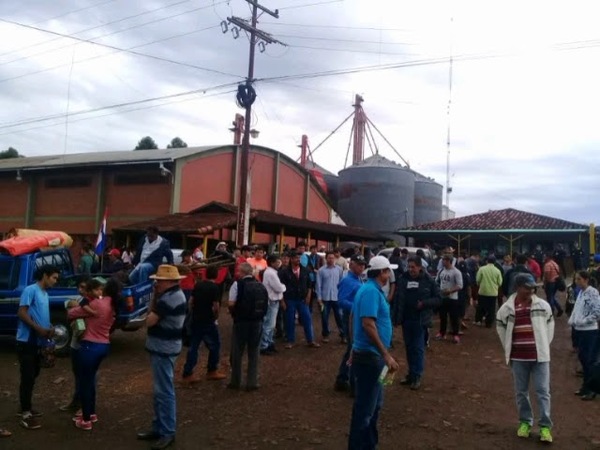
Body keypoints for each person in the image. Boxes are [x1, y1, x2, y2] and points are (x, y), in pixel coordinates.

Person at [347, 255, 399, 450]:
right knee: (366, 409)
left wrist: (354, 346)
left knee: (375, 404)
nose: (390, 274)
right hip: (372, 357)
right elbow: (367, 324)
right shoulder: (370, 292)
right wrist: (385, 354)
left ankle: (369, 444)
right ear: (382, 273)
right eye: (388, 270)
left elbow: (353, 317)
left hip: (373, 356)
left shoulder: (370, 290)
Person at [496, 274, 555, 443]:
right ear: (518, 287)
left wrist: (543, 344)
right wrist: (508, 345)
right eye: (527, 287)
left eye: (532, 287)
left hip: (540, 358)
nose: (531, 290)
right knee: (521, 392)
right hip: (518, 358)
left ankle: (545, 427)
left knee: (543, 392)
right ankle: (525, 422)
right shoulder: (507, 309)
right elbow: (500, 326)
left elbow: (550, 325)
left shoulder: (543, 305)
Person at [137, 265, 186, 450]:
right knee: (161, 391)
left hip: (164, 348)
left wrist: (152, 303)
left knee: (164, 392)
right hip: (165, 347)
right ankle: (160, 428)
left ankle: (167, 432)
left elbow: (149, 321)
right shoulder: (172, 296)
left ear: (168, 282)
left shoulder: (168, 299)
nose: (156, 283)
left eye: (159, 280)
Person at [68, 278, 120, 430]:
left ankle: (85, 420)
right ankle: (91, 413)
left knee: (85, 382)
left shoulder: (97, 303)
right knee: (90, 380)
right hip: (104, 345)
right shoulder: (113, 304)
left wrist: (72, 307)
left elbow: (72, 313)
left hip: (90, 346)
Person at [16, 264, 59, 430]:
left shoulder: (45, 294)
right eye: (54, 277)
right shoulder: (30, 290)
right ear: (45, 276)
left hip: (39, 342)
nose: (55, 281)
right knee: (27, 376)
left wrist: (49, 326)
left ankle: (25, 406)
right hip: (26, 341)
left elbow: (41, 315)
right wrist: (38, 328)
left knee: (34, 374)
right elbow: (22, 312)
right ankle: (25, 415)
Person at [395, 256, 441, 390]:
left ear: (420, 267)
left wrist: (424, 304)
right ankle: (411, 373)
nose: (410, 269)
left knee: (418, 348)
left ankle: (417, 376)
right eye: (409, 267)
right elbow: (398, 299)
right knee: (409, 348)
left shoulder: (428, 281)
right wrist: (396, 318)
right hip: (406, 319)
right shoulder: (403, 279)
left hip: (420, 320)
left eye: (413, 267)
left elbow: (438, 299)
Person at [227, 263, 269, 391]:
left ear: (241, 272)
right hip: (257, 321)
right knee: (254, 351)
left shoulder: (237, 284)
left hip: (241, 321)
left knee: (237, 352)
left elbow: (231, 303)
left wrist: (234, 313)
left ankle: (235, 381)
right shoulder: (260, 285)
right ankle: (252, 381)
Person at [182, 266, 226, 382]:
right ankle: (212, 370)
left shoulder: (198, 285)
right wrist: (215, 316)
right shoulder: (214, 288)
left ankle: (187, 372)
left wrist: (192, 312)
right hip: (208, 320)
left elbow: (191, 301)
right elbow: (216, 306)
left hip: (196, 319)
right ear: (216, 275)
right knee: (215, 345)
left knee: (193, 347)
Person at [334, 254, 366, 393]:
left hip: (356, 317)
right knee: (354, 349)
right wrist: (358, 307)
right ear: (351, 264)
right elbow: (341, 301)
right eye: (359, 264)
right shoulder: (348, 281)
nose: (362, 267)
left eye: (363, 265)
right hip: (351, 317)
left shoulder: (359, 279)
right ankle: (351, 382)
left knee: (351, 349)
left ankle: (343, 378)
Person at [60, 276, 90, 414]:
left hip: (86, 346)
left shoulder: (93, 303)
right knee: (78, 375)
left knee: (86, 377)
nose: (80, 290)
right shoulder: (78, 301)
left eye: (84, 287)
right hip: (75, 344)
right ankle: (77, 401)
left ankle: (84, 406)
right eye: (79, 287)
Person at [279, 250, 320, 349]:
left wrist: (308, 296)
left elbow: (309, 285)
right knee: (289, 321)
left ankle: (310, 340)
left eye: (299, 258)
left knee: (307, 319)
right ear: (291, 259)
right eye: (296, 258)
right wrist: (282, 301)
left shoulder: (305, 270)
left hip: (302, 299)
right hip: (289, 299)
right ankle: (290, 341)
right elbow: (280, 287)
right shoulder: (284, 272)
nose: (298, 260)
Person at [570, 271, 600, 400]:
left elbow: (597, 311)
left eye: (579, 279)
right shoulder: (581, 293)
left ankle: (592, 389)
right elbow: (577, 309)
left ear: (586, 279)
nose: (576, 282)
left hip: (589, 330)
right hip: (580, 329)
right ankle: (586, 386)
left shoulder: (592, 293)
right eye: (576, 279)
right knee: (583, 358)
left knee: (589, 360)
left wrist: (584, 321)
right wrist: (573, 320)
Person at [260, 254, 286, 355]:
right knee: (269, 325)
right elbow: (279, 288)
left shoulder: (272, 272)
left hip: (273, 300)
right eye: (277, 261)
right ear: (272, 263)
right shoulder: (271, 273)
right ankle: (264, 346)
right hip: (271, 301)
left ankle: (269, 343)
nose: (279, 263)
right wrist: (284, 287)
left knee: (271, 324)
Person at [317, 251, 345, 343]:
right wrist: (319, 298)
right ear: (326, 258)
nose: (331, 259)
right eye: (329, 258)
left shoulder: (339, 270)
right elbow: (318, 285)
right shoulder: (321, 270)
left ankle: (343, 335)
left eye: (333, 258)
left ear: (335, 259)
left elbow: (341, 283)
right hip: (325, 299)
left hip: (336, 298)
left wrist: (341, 296)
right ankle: (325, 335)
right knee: (324, 317)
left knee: (340, 317)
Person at [435, 255, 464, 344]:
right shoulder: (441, 271)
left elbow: (460, 285)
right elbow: (437, 281)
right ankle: (442, 332)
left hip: (452, 298)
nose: (443, 262)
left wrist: (450, 291)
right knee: (442, 316)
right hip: (442, 297)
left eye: (444, 260)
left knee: (454, 317)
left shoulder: (456, 272)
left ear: (449, 261)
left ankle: (455, 334)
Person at [475, 256, 503, 328]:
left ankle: (478, 321)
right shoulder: (497, 271)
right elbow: (500, 283)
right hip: (493, 293)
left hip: (483, 291)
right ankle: (489, 323)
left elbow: (477, 280)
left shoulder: (481, 269)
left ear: (487, 261)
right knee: (491, 309)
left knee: (480, 307)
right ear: (495, 262)